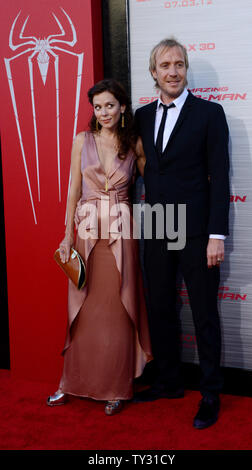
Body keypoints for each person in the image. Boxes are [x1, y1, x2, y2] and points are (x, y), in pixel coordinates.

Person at [133, 38, 230, 429]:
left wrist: (216, 235)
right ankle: (170, 381)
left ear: (185, 70)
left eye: (179, 64)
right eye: (165, 65)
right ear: (153, 73)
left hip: (196, 230)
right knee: (159, 308)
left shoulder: (209, 113)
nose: (173, 71)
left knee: (204, 313)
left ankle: (210, 392)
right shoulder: (140, 115)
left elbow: (220, 178)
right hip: (156, 223)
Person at [47, 79, 152, 415]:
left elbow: (158, 180)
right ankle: (71, 382)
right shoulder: (82, 140)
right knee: (85, 308)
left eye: (110, 105)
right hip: (88, 233)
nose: (104, 112)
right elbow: (73, 190)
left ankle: (116, 388)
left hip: (122, 233)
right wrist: (66, 236)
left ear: (122, 107)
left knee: (119, 309)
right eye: (98, 106)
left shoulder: (133, 142)